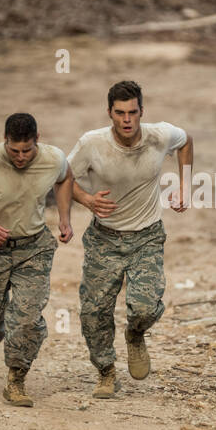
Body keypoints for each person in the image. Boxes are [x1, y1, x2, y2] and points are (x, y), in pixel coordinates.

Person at [68, 80, 192, 399]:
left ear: (141, 112)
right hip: (104, 239)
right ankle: (106, 372)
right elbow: (62, 177)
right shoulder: (91, 143)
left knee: (145, 307)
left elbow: (186, 141)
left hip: (147, 237)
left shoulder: (159, 135)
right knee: (94, 312)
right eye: (120, 113)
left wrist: (185, 185)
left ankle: (135, 334)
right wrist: (87, 200)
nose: (127, 120)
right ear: (109, 112)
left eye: (133, 112)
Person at [0, 113, 74, 407]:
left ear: (37, 141)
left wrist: (64, 219)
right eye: (14, 150)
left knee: (27, 318)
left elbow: (66, 178)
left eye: (27, 150)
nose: (20, 157)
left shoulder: (53, 158)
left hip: (33, 248)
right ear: (5, 140)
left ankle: (17, 378)